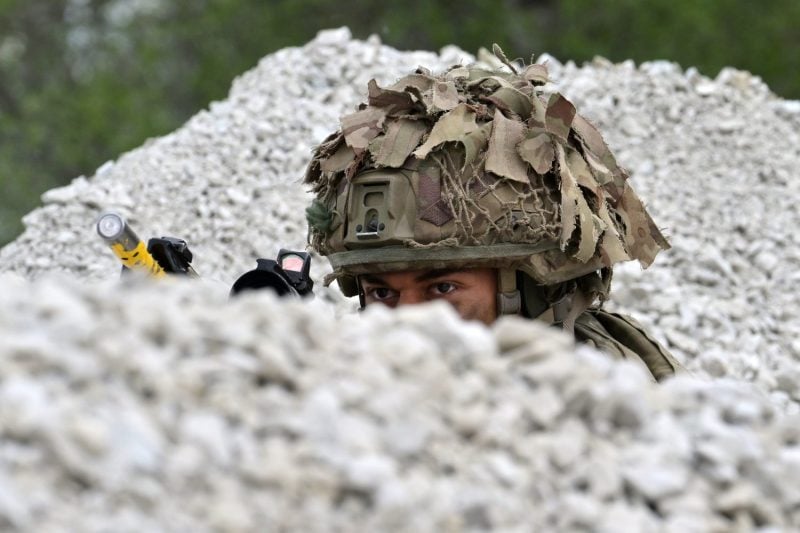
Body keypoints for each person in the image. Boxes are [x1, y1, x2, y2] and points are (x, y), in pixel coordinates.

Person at [303, 51, 684, 381]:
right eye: (382, 293)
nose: (408, 323)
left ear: (533, 293)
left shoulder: (606, 399)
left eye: (442, 289)